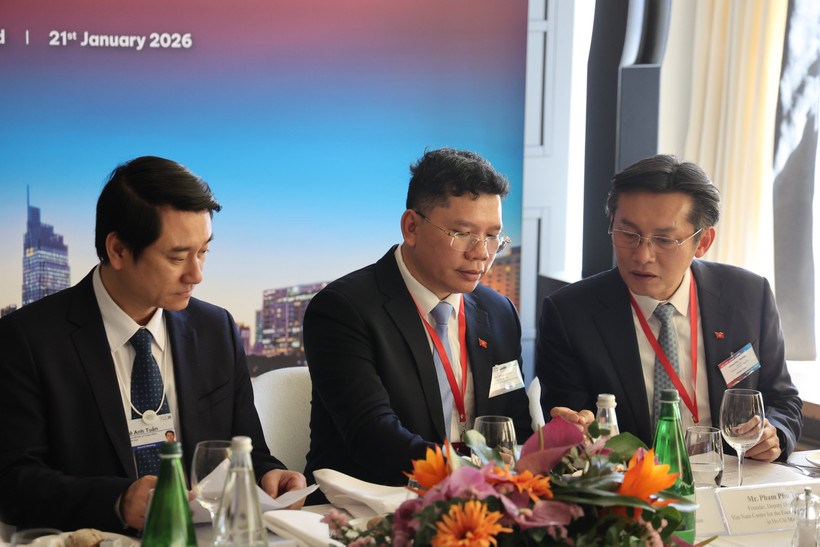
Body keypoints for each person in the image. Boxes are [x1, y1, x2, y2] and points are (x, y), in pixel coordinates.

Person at [0, 156, 306, 533]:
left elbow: (248, 452)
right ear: (118, 250)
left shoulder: (216, 329)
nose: (196, 274)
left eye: (203, 251)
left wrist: (269, 475)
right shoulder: (28, 339)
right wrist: (118, 500)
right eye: (177, 257)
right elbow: (12, 482)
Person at [536, 154, 802, 462]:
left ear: (703, 241)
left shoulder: (748, 296)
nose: (642, 255)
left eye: (664, 240)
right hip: (631, 484)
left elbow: (782, 399)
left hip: (733, 478)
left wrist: (774, 434)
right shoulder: (570, 314)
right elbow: (567, 423)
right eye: (628, 234)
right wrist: (577, 431)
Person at [303, 148, 531, 492]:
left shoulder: (498, 312)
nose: (481, 254)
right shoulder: (344, 308)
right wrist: (472, 472)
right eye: (463, 233)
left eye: (492, 236)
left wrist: (554, 443)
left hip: (478, 502)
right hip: (371, 503)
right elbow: (373, 437)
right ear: (412, 227)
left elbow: (514, 423)